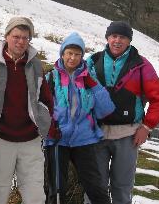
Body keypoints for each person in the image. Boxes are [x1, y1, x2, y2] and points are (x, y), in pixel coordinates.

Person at [86, 21, 159, 204]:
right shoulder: (93, 61)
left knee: (122, 188)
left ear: (129, 41)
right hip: (96, 134)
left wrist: (146, 126)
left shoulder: (141, 65)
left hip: (128, 136)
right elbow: (78, 90)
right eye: (114, 36)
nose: (117, 41)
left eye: (122, 37)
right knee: (94, 188)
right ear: (107, 38)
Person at [0, 17, 53, 204]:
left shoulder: (35, 65)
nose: (20, 41)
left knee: (35, 196)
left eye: (25, 38)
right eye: (16, 36)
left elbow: (46, 99)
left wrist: (42, 124)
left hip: (30, 140)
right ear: (6, 36)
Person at [43, 32, 114, 204]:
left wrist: (94, 85)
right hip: (57, 139)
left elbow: (106, 110)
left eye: (77, 54)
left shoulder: (89, 78)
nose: (73, 58)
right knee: (56, 191)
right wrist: (49, 128)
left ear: (82, 56)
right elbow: (41, 109)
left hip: (84, 139)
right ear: (62, 54)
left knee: (96, 188)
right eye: (69, 53)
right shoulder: (51, 78)